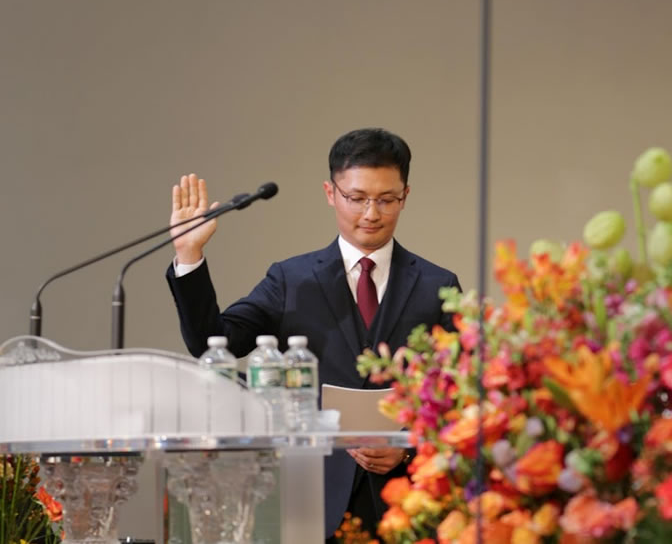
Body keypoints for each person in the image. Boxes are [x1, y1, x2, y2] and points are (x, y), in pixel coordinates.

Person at [165, 128, 460, 540]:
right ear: (330, 193)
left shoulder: (437, 285)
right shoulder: (292, 280)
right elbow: (214, 343)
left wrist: (408, 447)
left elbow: (458, 396)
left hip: (409, 503)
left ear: (405, 196)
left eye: (386, 199)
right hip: (312, 498)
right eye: (356, 198)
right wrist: (189, 254)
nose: (371, 213)